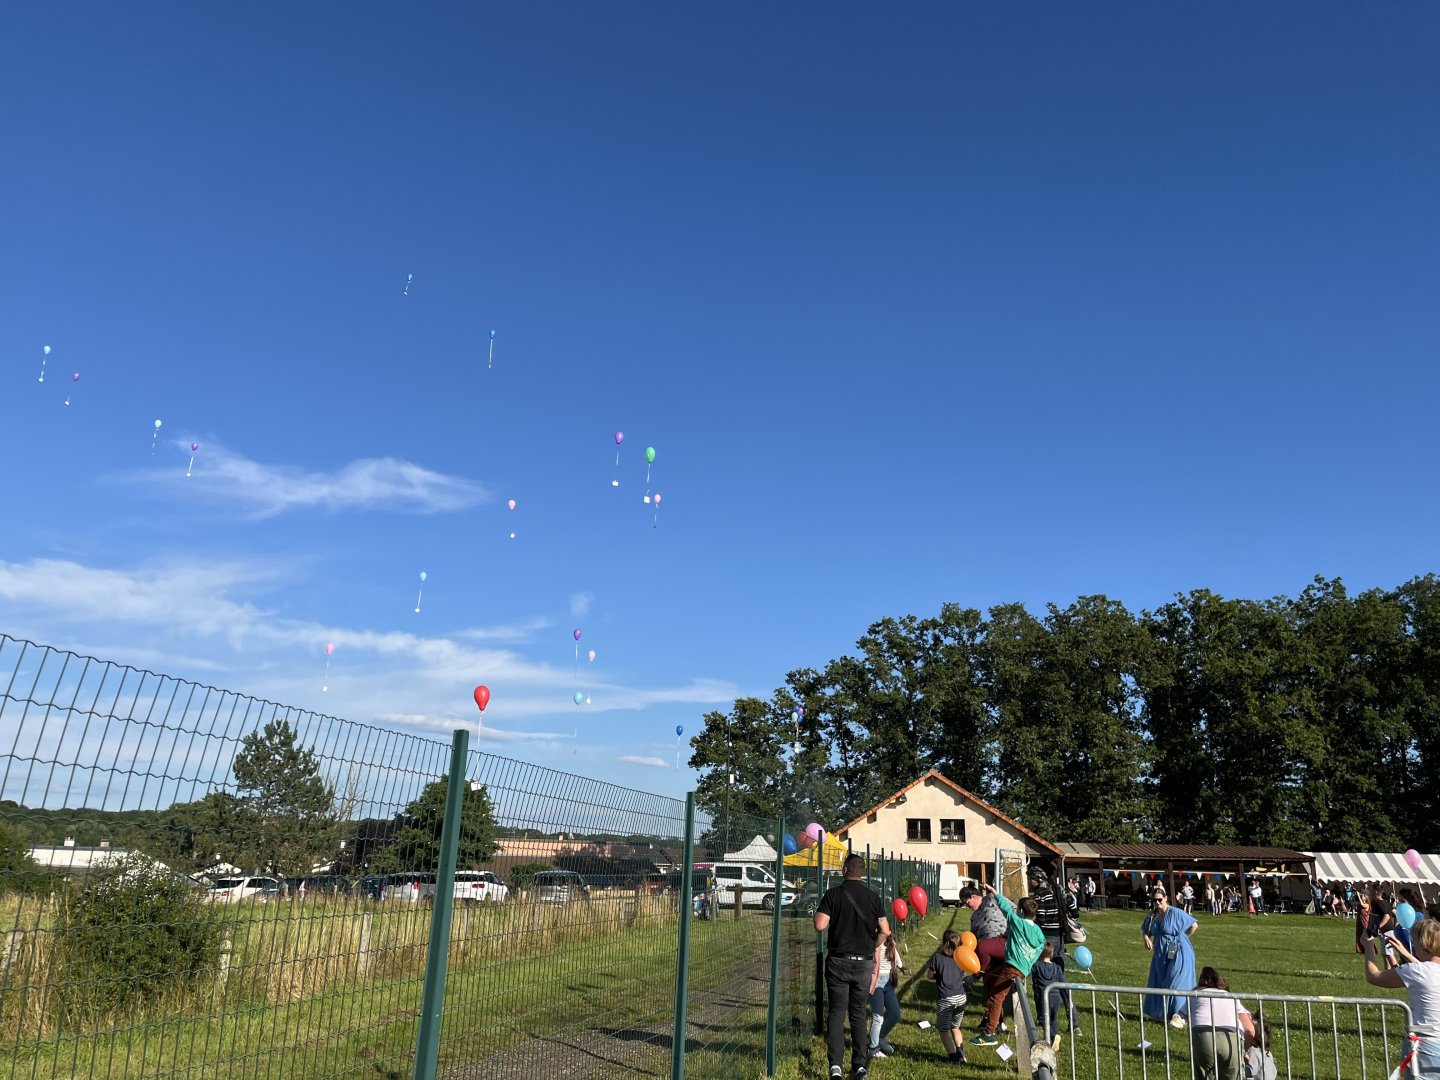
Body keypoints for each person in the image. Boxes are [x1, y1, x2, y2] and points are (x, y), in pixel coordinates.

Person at [815, 854, 890, 1080]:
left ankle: (835, 1066)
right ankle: (859, 1065)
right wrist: (872, 945)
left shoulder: (833, 894)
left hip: (838, 962)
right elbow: (885, 930)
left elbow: (820, 925)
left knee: (837, 1012)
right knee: (858, 1013)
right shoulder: (873, 897)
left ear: (844, 870)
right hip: (863, 964)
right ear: (863, 873)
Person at [1361, 914, 1440, 1076]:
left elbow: (1374, 977)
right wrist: (1404, 952)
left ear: (1423, 945)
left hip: (1426, 1045)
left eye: (1414, 941)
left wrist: (1368, 947)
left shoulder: (1417, 971)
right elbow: (1428, 972)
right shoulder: (1423, 971)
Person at [971, 883, 1045, 1047]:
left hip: (1013, 967)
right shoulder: (1039, 932)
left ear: (1021, 911)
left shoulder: (1017, 922)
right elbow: (1040, 949)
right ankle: (991, 1020)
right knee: (990, 977)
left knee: (996, 997)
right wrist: (1028, 964)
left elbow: (1004, 907)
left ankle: (989, 1033)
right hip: (1019, 967)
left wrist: (994, 892)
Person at [1142, 885, 1198, 1028]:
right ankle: (1165, 1013)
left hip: (1179, 952)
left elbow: (1194, 925)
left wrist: (1182, 939)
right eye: (1154, 900)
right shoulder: (1153, 915)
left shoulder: (1175, 912)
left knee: (1176, 981)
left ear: (1166, 898)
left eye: (1160, 900)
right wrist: (1146, 938)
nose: (1157, 903)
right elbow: (1146, 930)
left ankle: (1180, 1015)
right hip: (1161, 954)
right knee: (1163, 982)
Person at [1190, 966, 1256, 1080]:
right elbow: (1250, 1029)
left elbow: (1179, 1016)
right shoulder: (1231, 998)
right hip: (1231, 1038)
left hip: (1203, 1036)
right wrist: (1244, 1051)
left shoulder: (1195, 994)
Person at [925, 930, 970, 1065]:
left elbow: (929, 976)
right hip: (961, 997)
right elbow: (961, 974)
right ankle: (961, 1054)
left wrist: (939, 975)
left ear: (944, 942)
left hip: (946, 999)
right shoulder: (960, 958)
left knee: (943, 1030)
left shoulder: (937, 958)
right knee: (955, 1027)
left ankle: (953, 1057)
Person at [867, 929, 903, 1060]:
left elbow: (898, 961)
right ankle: (873, 1048)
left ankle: (880, 1037)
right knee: (878, 1017)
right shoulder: (872, 944)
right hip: (875, 984)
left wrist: (902, 967)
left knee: (895, 1014)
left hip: (888, 984)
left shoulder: (890, 944)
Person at [960, 884, 1008, 974]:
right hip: (986, 949)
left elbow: (1011, 908)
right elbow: (973, 938)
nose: (967, 906)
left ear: (973, 897)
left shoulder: (991, 899)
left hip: (1003, 941)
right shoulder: (974, 917)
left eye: (967, 903)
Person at [1031, 941, 1067, 1048]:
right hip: (1056, 997)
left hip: (1044, 997)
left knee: (1044, 1020)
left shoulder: (1036, 966)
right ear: (1052, 953)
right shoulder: (1057, 967)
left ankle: (1052, 1037)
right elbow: (1062, 981)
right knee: (1053, 1019)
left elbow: (1033, 980)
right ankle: (1055, 1036)